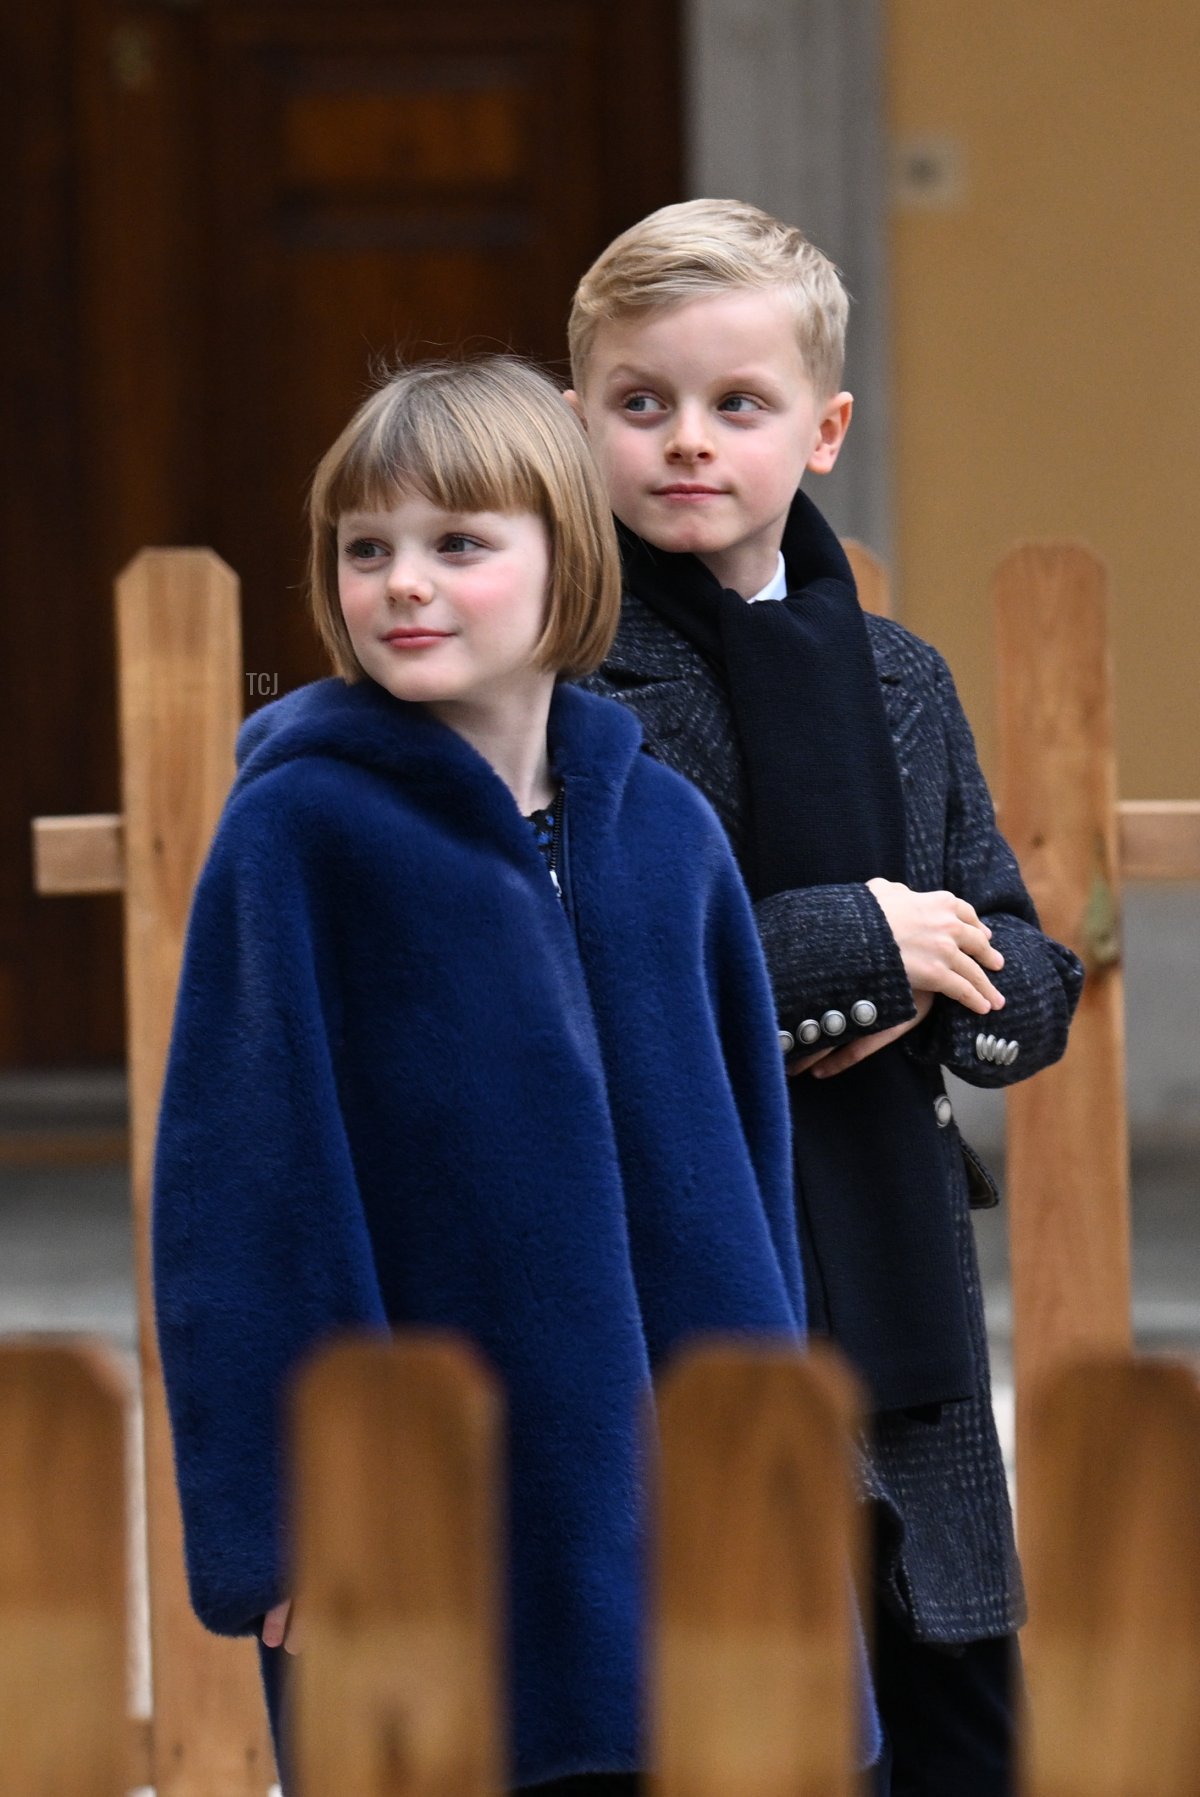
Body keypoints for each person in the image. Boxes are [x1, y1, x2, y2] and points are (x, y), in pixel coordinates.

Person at [151, 356, 825, 1796]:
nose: (404, 582)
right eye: (367, 548)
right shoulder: (298, 838)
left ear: (565, 556)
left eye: (459, 543)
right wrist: (292, 1523)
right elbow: (247, 1205)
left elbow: (755, 1185)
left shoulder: (670, 835)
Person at [566, 198, 1085, 1796]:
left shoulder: (901, 676)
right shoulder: (565, 680)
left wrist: (980, 991)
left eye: (738, 405)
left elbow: (1006, 935)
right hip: (689, 1282)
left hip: (894, 1271)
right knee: (743, 1721)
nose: (688, 444)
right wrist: (851, 945)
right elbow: (581, 957)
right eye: (640, 404)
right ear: (577, 417)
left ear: (826, 428)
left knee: (953, 1723)